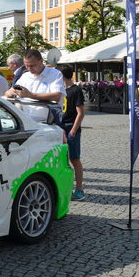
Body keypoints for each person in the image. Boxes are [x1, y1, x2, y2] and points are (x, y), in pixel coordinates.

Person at [4, 49, 65, 123]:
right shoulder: (25, 76)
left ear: (41, 61)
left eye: (32, 65)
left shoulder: (55, 74)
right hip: (28, 122)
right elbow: (8, 93)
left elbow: (56, 96)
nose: (29, 69)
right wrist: (11, 93)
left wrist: (30, 95)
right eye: (26, 66)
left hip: (49, 123)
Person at [58, 64, 86, 200]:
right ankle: (66, 188)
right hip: (61, 127)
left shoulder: (76, 91)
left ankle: (79, 189)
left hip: (71, 127)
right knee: (62, 160)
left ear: (62, 76)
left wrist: (74, 130)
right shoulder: (60, 90)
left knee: (74, 159)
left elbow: (80, 113)